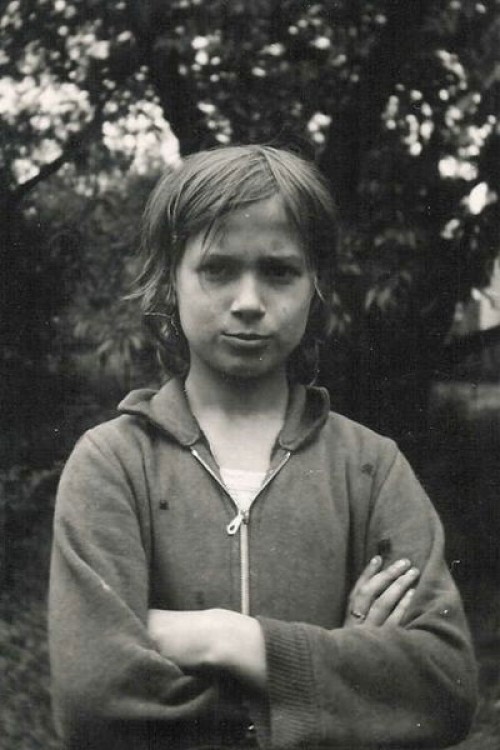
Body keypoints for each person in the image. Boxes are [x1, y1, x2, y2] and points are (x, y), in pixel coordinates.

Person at [48, 145, 477, 750]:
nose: (249, 301)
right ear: (170, 281)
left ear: (315, 286)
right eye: (218, 269)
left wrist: (224, 638)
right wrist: (337, 676)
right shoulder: (114, 463)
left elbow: (443, 688)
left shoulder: (370, 467)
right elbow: (94, 702)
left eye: (279, 271)